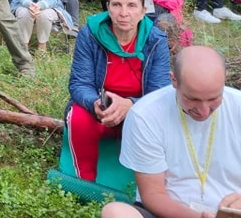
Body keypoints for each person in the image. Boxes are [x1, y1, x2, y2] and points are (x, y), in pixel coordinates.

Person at [101, 46, 241, 218]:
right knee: (115, 212)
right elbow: (153, 195)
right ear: (174, 80)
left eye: (213, 98)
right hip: (170, 212)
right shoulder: (145, 115)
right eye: (193, 99)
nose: (204, 110)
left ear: (224, 80)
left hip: (231, 212)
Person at [66, 0, 170, 184]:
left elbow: (159, 93)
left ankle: (144, 184)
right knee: (77, 115)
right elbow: (79, 82)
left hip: (140, 111)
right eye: (117, 5)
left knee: (163, 121)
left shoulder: (156, 40)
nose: (124, 13)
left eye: (132, 5)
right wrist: (95, 103)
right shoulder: (90, 34)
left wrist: (131, 104)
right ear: (108, 7)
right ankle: (85, 181)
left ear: (143, 10)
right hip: (101, 108)